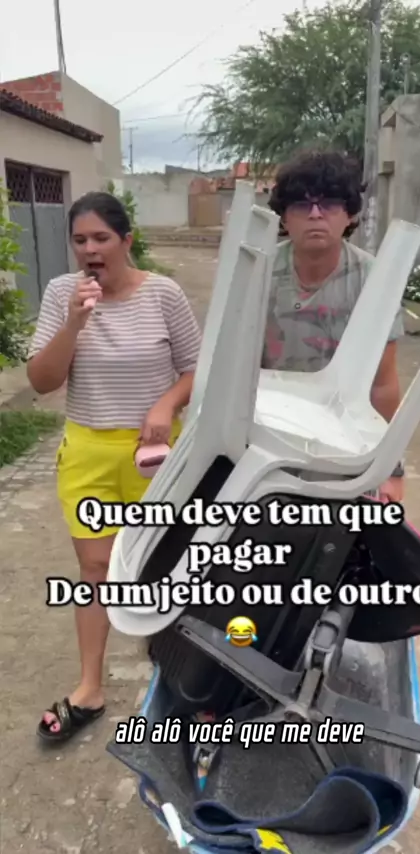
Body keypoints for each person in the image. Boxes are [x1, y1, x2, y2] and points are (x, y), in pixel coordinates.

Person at [27, 191, 202, 744]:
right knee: (97, 570)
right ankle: (89, 688)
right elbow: (42, 381)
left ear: (126, 241)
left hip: (156, 455)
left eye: (101, 238)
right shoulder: (62, 294)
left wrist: (165, 405)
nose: (90, 249)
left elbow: (197, 368)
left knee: (169, 568)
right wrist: (74, 323)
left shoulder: (164, 294)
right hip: (88, 453)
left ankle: (185, 686)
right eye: (80, 240)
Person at [264, 148, 405, 503]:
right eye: (301, 204)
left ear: (349, 214)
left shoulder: (375, 280)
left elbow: (383, 384)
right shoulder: (257, 272)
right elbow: (233, 368)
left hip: (344, 439)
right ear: (284, 217)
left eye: (328, 203)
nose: (315, 214)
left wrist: (390, 469)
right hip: (267, 435)